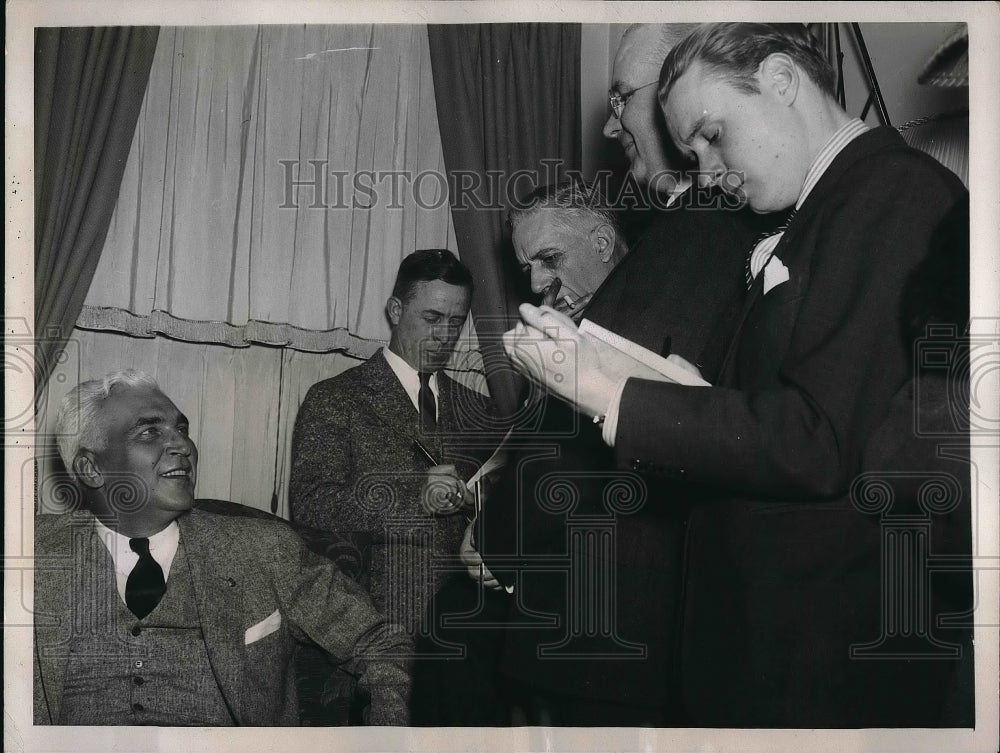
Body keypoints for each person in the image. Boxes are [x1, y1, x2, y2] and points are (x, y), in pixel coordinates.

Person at [503, 23, 971, 727]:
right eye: (693, 151)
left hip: (817, 660)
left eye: (714, 134)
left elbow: (819, 440)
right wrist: (657, 378)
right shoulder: (825, 206)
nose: (712, 172)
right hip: (769, 647)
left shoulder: (891, 188)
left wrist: (609, 392)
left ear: (782, 80)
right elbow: (792, 410)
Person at [33, 370, 411, 726]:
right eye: (149, 432)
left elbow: (384, 645)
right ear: (91, 468)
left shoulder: (262, 549)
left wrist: (387, 735)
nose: (182, 444)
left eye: (181, 429)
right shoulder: (30, 555)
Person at [288, 248, 506, 725]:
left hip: (478, 623)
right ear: (394, 311)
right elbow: (310, 506)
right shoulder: (335, 400)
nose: (444, 335)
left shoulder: (483, 412)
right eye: (431, 317)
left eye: (456, 320)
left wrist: (486, 502)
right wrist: (413, 496)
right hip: (385, 621)